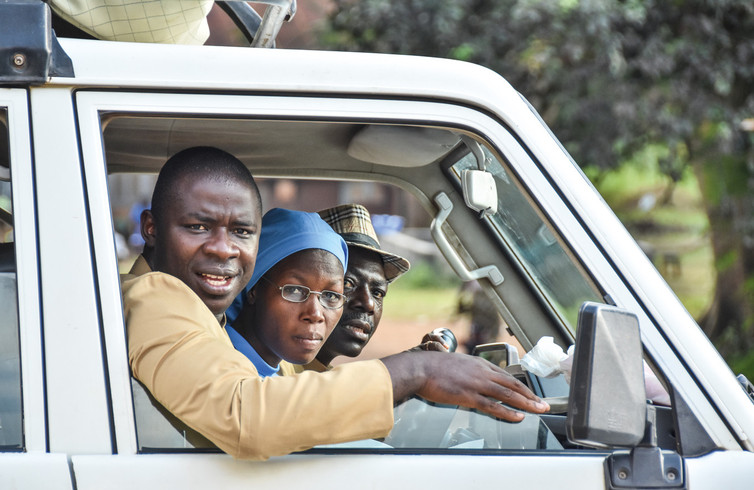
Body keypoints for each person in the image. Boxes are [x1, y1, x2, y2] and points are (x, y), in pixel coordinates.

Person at [123, 146, 549, 461]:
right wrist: (417, 371)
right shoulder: (156, 294)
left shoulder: (200, 315)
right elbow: (248, 415)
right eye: (197, 226)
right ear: (152, 229)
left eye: (241, 232)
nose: (223, 249)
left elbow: (290, 390)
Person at [297, 204, 447, 373]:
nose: (368, 304)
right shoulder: (279, 375)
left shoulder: (312, 377)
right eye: (347, 284)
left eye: (377, 292)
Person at [226, 208, 349, 376]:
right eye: (295, 290)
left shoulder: (278, 372)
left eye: (330, 296)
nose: (315, 314)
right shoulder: (220, 370)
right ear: (253, 288)